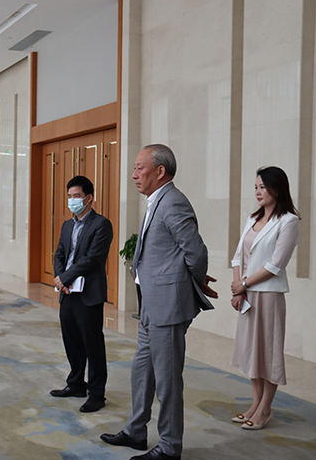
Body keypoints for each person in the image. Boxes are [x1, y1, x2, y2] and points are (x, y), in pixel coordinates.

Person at [101, 144, 217, 460]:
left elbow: (196, 252)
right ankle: (136, 431)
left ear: (160, 171)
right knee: (142, 371)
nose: (134, 174)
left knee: (167, 381)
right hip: (150, 304)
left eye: (140, 168)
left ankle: (169, 446)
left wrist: (193, 280)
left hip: (167, 306)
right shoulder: (157, 201)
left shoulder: (173, 202)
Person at [229, 166, 299, 430]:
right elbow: (238, 255)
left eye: (263, 187)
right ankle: (256, 404)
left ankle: (265, 408)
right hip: (248, 294)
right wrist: (239, 288)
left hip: (269, 295)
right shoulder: (252, 218)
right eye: (256, 187)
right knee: (252, 351)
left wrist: (243, 283)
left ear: (277, 189)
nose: (258, 192)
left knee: (269, 352)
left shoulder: (288, 221)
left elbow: (275, 265)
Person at [51, 176, 113, 413]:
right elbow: (60, 254)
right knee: (71, 340)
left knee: (92, 343)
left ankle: (97, 394)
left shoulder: (102, 224)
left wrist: (65, 277)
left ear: (88, 198)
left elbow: (92, 259)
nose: (72, 201)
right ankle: (76, 384)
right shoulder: (67, 225)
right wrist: (60, 279)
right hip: (68, 293)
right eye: (69, 196)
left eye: (76, 196)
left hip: (88, 293)